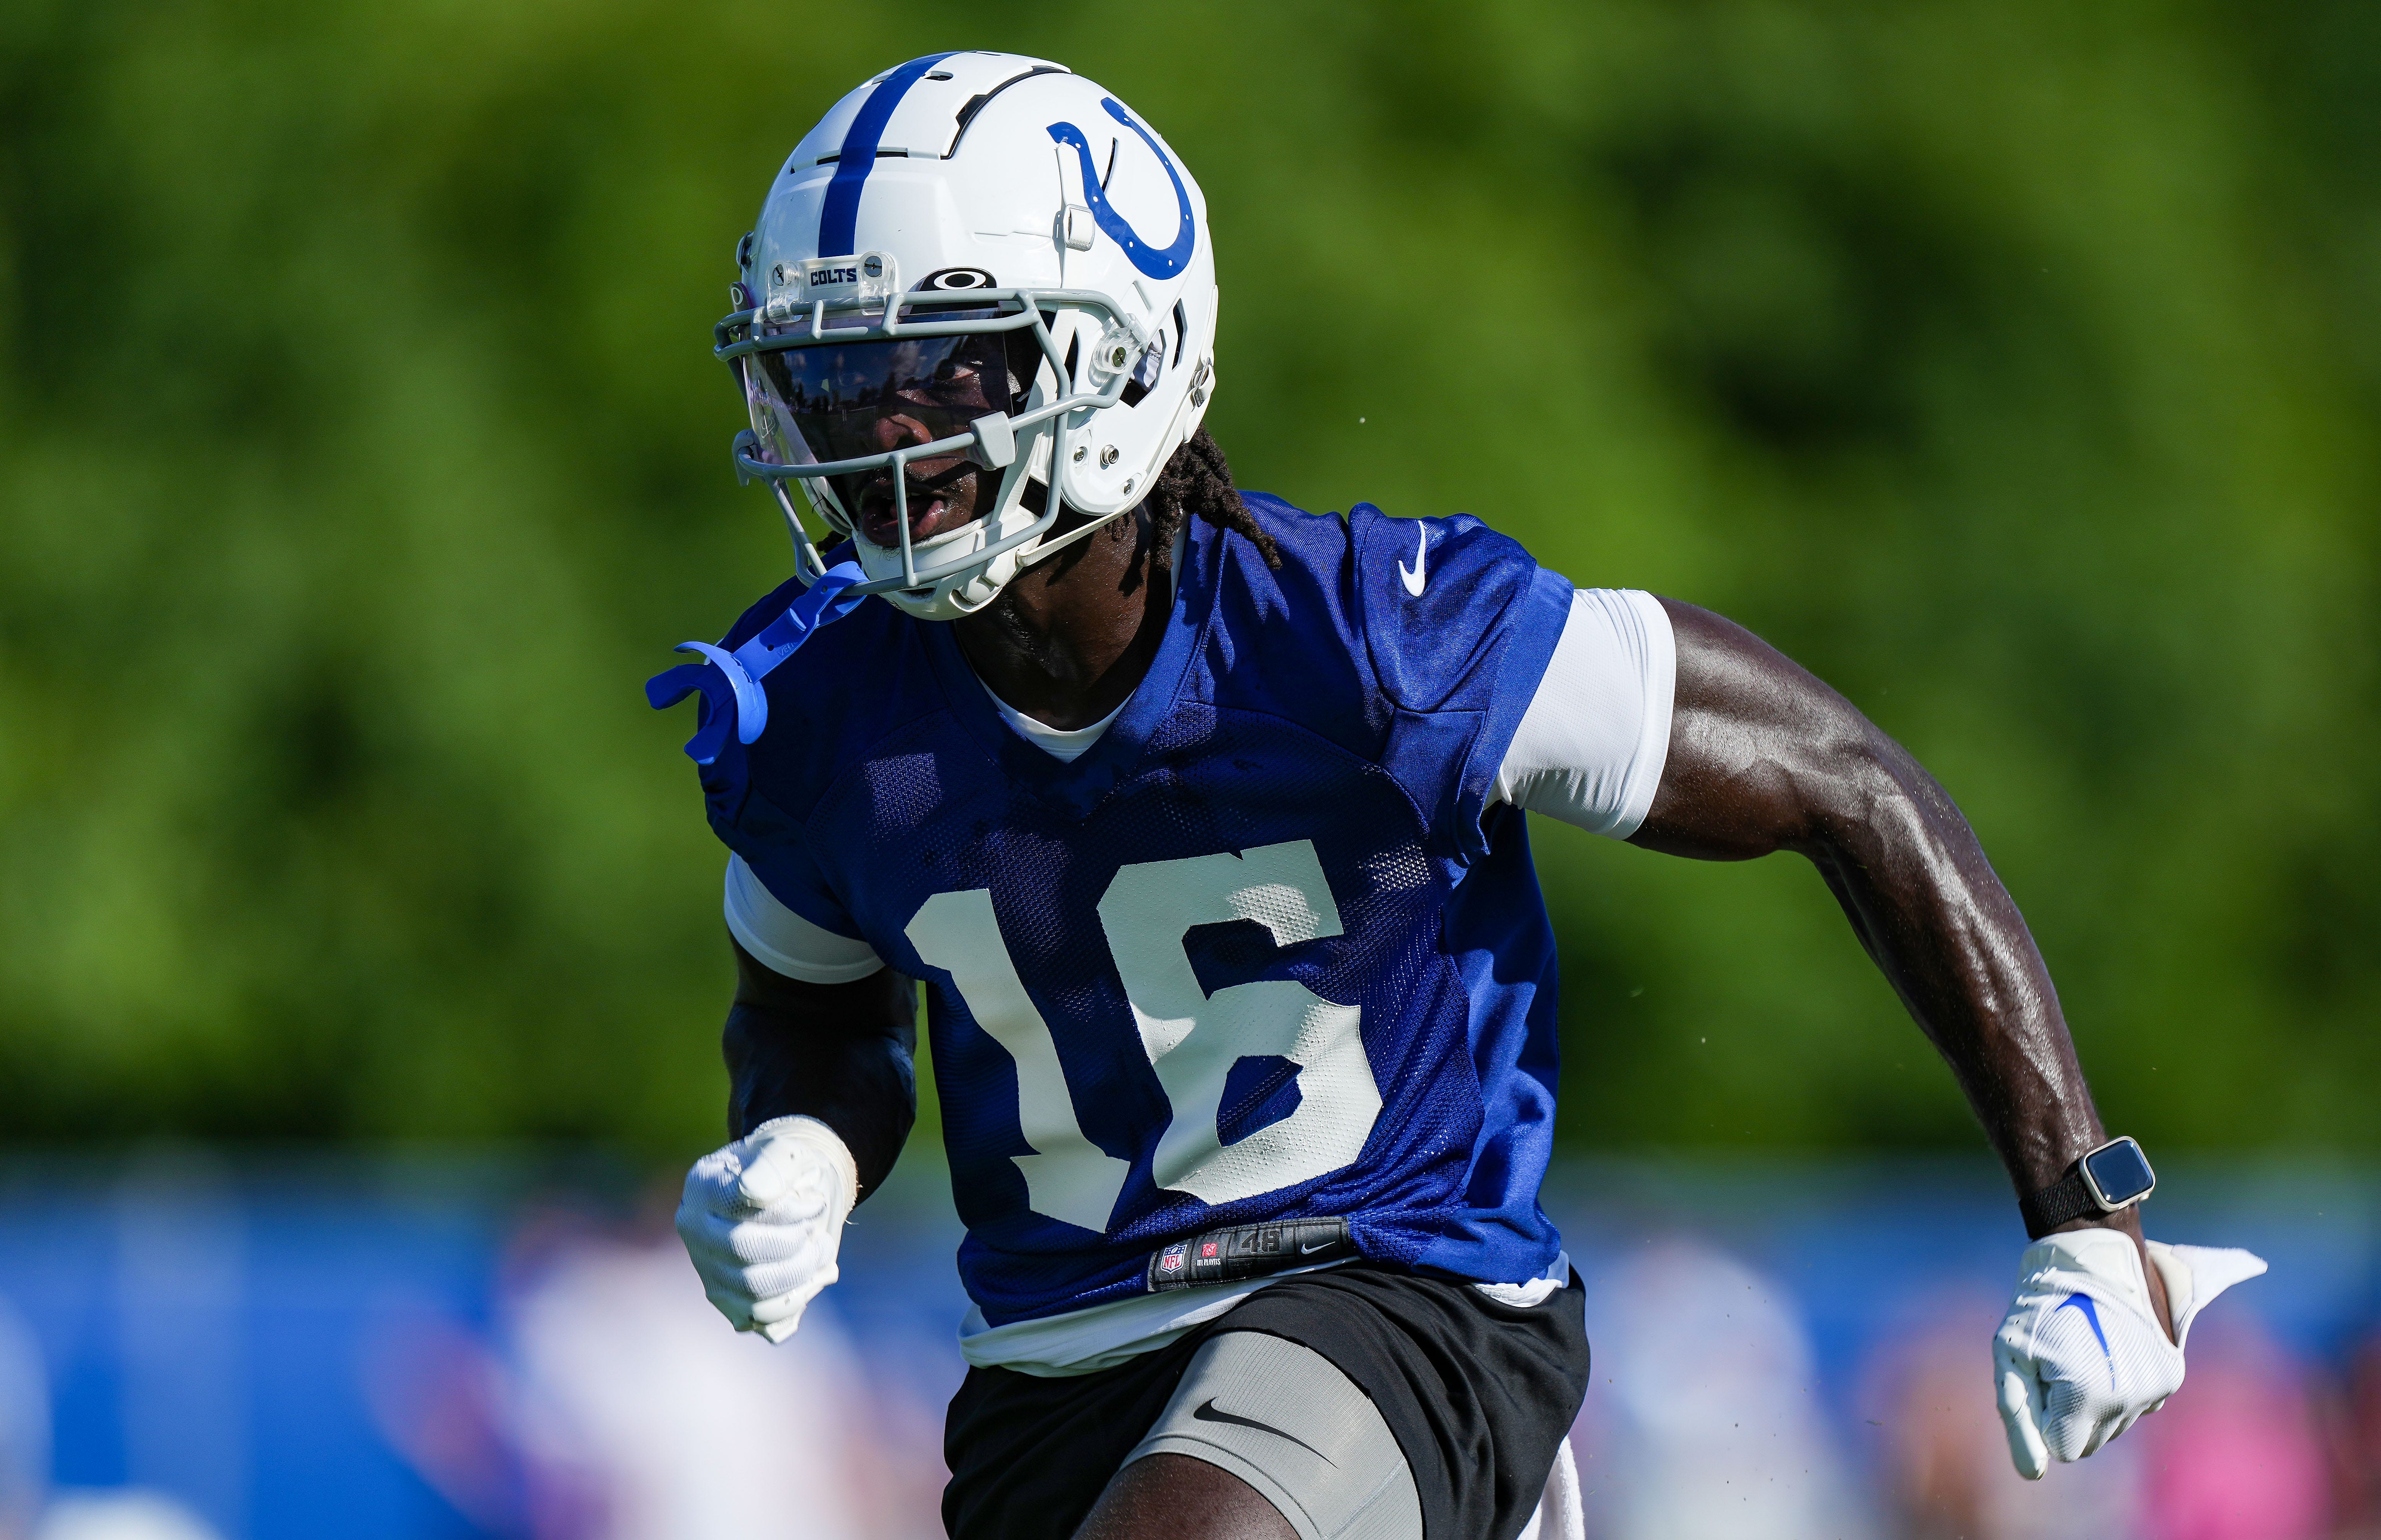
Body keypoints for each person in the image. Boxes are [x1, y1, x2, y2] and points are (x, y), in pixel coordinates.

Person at [653, 52, 2264, 1540]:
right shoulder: (813, 713)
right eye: (840, 373)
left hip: (1390, 1291)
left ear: (1122, 354)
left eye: (944, 363)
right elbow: (811, 1013)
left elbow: (1844, 777)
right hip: (1052, 1361)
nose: (884, 430)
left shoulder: (1371, 638)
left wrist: (2082, 1206)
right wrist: (800, 1144)